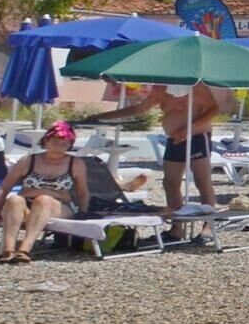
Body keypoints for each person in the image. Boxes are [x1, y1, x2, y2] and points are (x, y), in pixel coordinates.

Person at [83, 78, 238, 223]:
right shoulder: (161, 89)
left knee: (202, 180)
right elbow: (138, 109)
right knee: (170, 183)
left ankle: (208, 226)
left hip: (196, 136)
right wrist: (102, 116)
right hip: (173, 139)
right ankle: (177, 226)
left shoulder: (197, 87)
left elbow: (216, 108)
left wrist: (189, 129)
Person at [0, 121, 93, 264]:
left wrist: (83, 213)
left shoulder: (76, 163)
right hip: (27, 204)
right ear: (45, 141)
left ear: (70, 145)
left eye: (64, 143)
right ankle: (7, 250)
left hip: (59, 205)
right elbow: (4, 188)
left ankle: (25, 248)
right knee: (14, 200)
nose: (58, 146)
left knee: (44, 200)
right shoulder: (28, 161)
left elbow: (82, 192)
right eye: (54, 141)